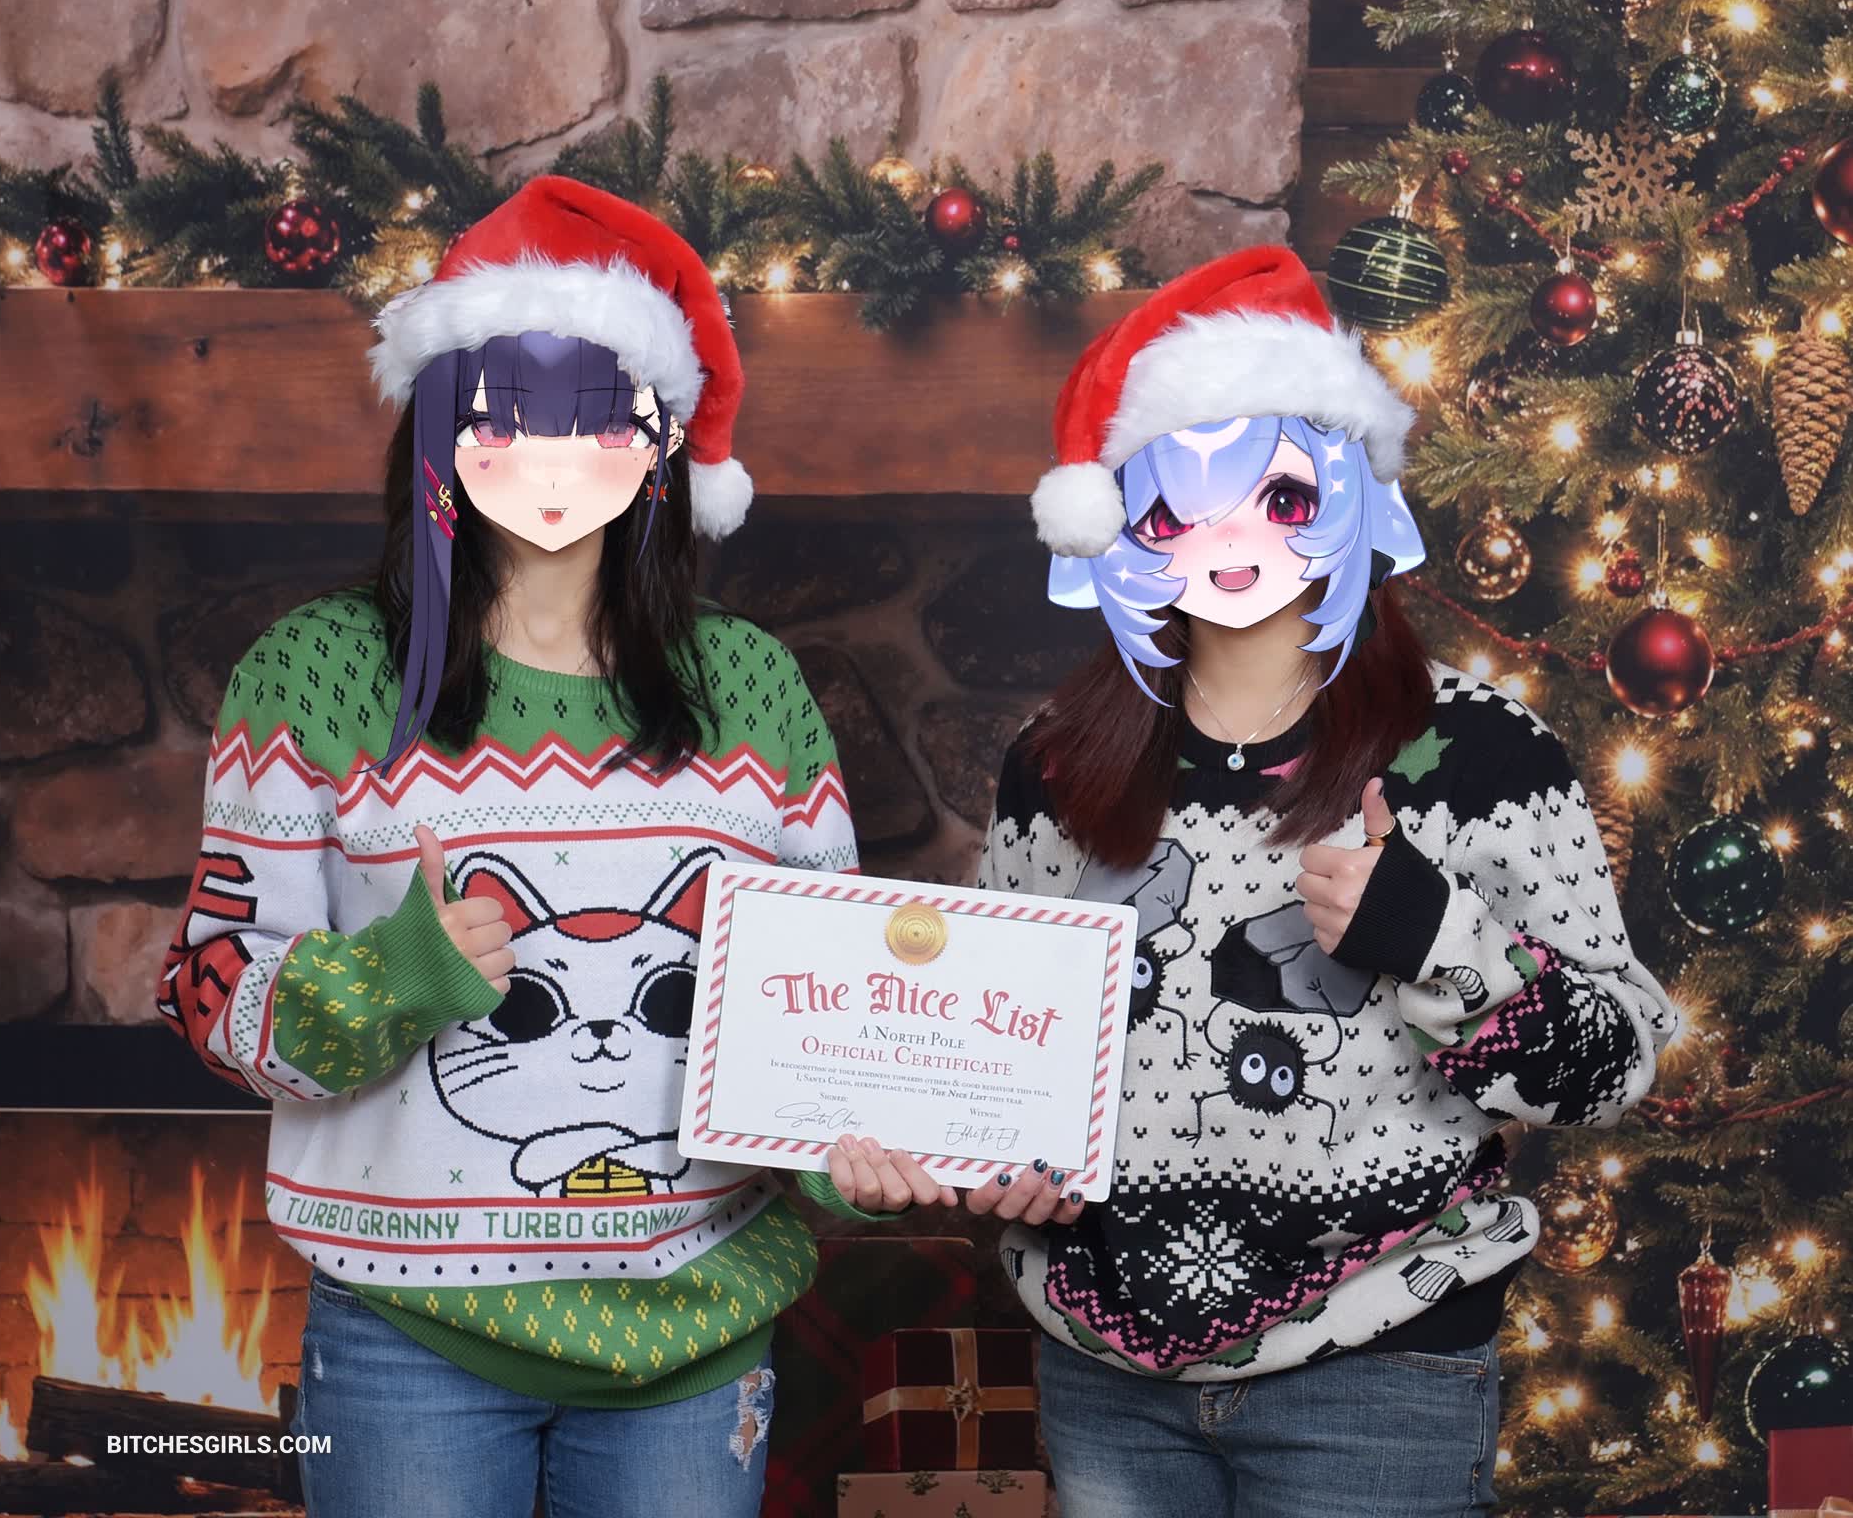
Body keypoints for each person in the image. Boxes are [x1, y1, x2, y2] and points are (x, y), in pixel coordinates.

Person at [153, 176, 946, 1518]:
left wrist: (850, 1150)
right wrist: (394, 974)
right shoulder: (314, 675)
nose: (555, 455)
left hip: (692, 1340)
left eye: (599, 418)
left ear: (661, 440)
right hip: (410, 1341)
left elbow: (828, 1010)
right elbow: (210, 994)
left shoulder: (752, 687)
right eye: (506, 415)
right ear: (438, 426)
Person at [962, 246, 1678, 1517]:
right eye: (1175, 512)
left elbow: (1613, 1064)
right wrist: (997, 1148)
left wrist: (1436, 937)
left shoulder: (1482, 754)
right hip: (1103, 1369)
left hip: (1377, 1368)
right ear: (1119, 530)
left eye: (1281, 497)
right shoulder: (1054, 759)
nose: (1232, 540)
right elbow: (998, 1038)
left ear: (1352, 498)